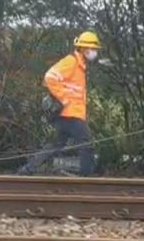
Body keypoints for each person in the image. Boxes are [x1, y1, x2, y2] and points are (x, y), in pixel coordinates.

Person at [18, 31, 100, 176]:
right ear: (84, 48)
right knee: (86, 144)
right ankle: (87, 178)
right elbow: (50, 77)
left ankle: (27, 169)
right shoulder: (71, 62)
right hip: (70, 114)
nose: (95, 52)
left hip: (68, 114)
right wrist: (64, 98)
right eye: (93, 49)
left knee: (56, 145)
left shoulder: (80, 66)